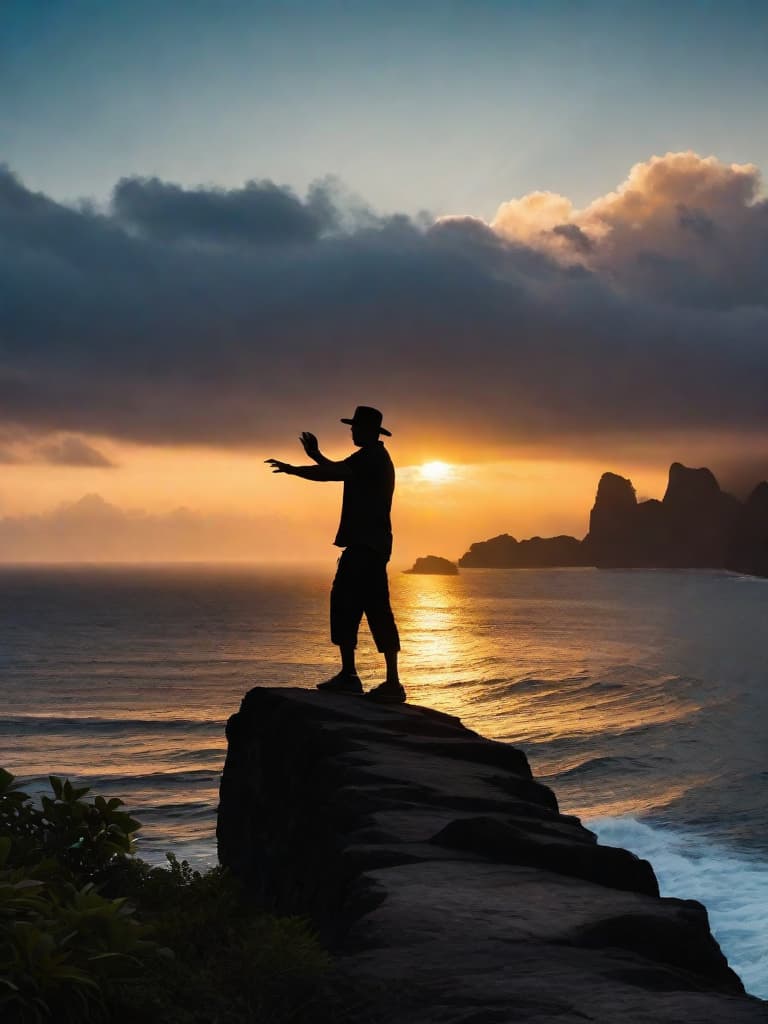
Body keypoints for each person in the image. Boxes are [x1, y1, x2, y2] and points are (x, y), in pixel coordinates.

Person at [266, 406, 405, 704]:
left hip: (364, 548)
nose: (352, 432)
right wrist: (314, 457)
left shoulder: (370, 458)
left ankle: (354, 677)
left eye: (356, 428)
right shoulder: (372, 458)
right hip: (373, 547)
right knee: (371, 607)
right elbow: (337, 469)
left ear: (369, 432)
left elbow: (333, 473)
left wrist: (294, 469)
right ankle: (383, 680)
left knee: (347, 604)